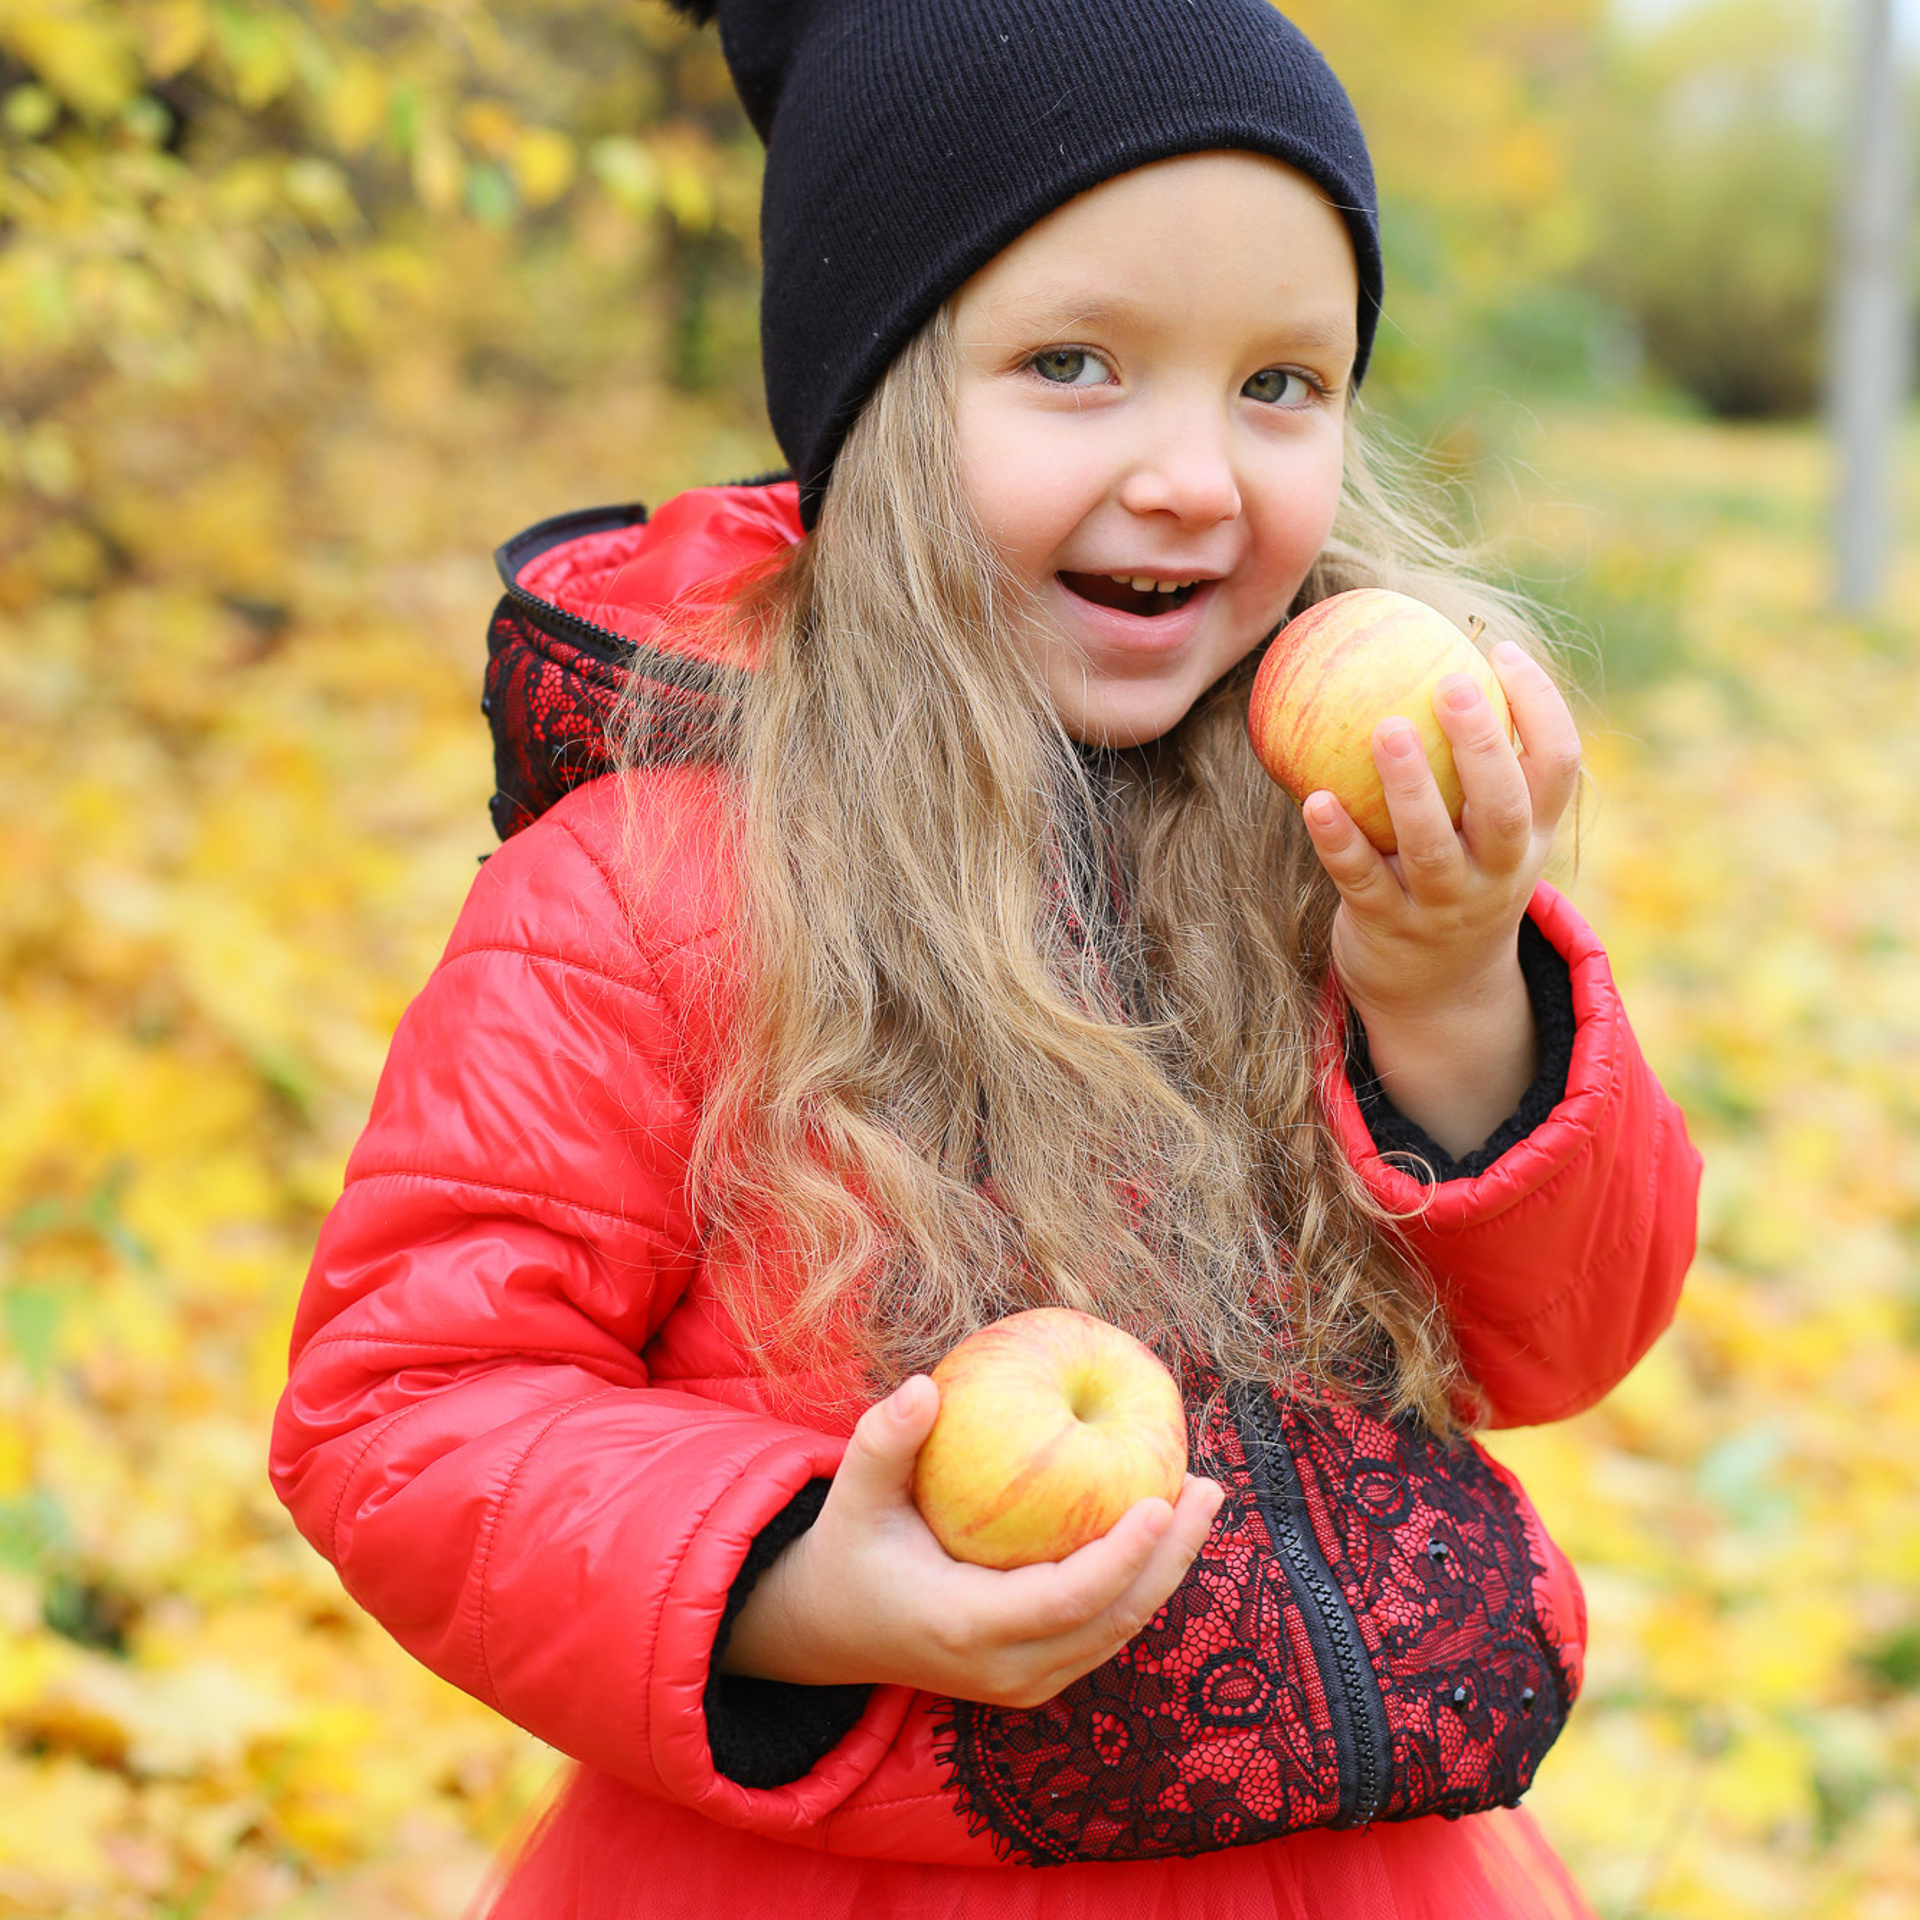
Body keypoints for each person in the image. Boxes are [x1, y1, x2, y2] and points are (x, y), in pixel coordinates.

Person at [270, 1, 1701, 1914]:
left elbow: (1565, 1339)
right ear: (871, 405)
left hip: (1349, 1867)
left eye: (1283, 383)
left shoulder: (1335, 847)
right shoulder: (658, 885)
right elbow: (407, 1402)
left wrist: (1448, 990)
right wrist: (783, 1584)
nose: (1199, 472)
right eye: (1076, 364)